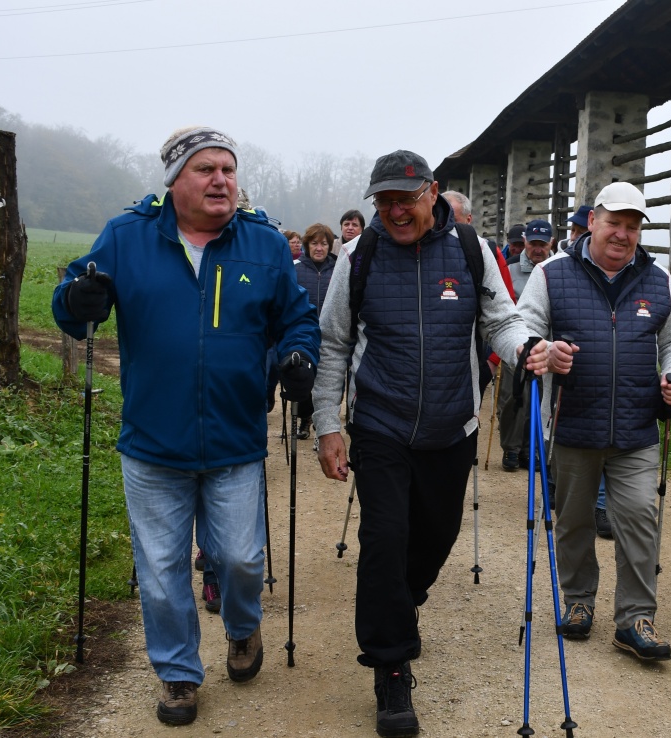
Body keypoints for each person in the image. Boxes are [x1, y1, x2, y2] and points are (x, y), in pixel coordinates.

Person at [52, 126, 320, 725]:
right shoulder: (127, 236)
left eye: (228, 168)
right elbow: (71, 299)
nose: (221, 179)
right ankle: (177, 673)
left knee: (243, 559)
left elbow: (297, 319)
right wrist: (78, 301)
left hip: (235, 440)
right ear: (174, 181)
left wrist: (299, 355)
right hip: (153, 443)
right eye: (206, 169)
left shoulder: (265, 244)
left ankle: (243, 629)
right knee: (162, 569)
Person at [312, 150, 548, 737]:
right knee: (386, 537)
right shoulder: (357, 255)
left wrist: (526, 347)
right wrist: (327, 424)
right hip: (381, 426)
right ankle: (391, 668)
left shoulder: (470, 250)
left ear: (432, 192)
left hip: (452, 428)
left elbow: (501, 319)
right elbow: (334, 342)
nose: (394, 211)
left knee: (435, 538)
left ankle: (402, 598)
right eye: (383, 201)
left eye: (405, 198)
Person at [517, 181, 671, 662]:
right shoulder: (553, 273)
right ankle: (577, 603)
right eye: (613, 223)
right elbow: (522, 324)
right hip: (573, 423)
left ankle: (636, 618)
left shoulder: (658, 279)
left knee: (638, 517)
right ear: (592, 220)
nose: (622, 234)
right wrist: (543, 350)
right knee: (573, 521)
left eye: (632, 226)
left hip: (638, 429)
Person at [442, 190, 516, 399]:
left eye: (453, 220)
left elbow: (505, 306)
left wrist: (492, 361)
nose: (447, 226)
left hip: (477, 354)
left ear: (468, 219)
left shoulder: (486, 252)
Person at [497, 218, 553, 471]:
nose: (538, 249)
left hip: (547, 346)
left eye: (543, 244)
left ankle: (530, 449)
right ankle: (511, 448)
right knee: (514, 397)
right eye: (533, 244)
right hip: (518, 344)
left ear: (550, 243)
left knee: (541, 399)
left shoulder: (557, 269)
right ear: (526, 243)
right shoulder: (509, 270)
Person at [295, 223, 339, 440]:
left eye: (323, 244)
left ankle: (324, 426)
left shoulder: (339, 268)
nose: (319, 248)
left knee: (329, 383)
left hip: (332, 336)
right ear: (307, 245)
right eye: (314, 243)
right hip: (305, 335)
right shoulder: (296, 270)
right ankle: (305, 419)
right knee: (305, 379)